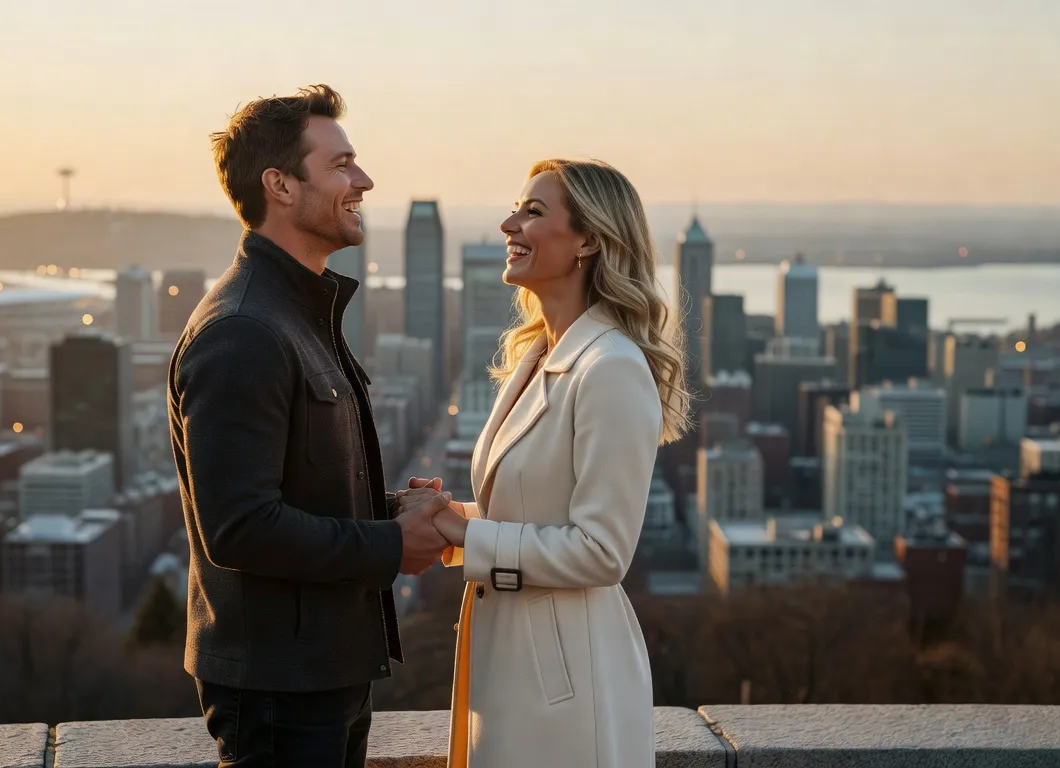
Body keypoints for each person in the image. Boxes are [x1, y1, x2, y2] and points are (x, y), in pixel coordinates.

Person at [167, 84, 452, 767]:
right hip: (277, 692)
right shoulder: (243, 331)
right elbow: (239, 527)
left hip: (323, 674)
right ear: (281, 186)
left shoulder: (295, 314)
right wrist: (387, 545)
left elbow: (295, 494)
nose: (364, 181)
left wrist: (393, 514)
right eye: (342, 165)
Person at [404, 159, 689, 766]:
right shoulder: (538, 354)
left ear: (588, 239)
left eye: (533, 212)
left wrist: (466, 533)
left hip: (568, 683)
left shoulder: (610, 366)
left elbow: (602, 550)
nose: (510, 223)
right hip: (514, 666)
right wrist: (448, 515)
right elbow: (536, 508)